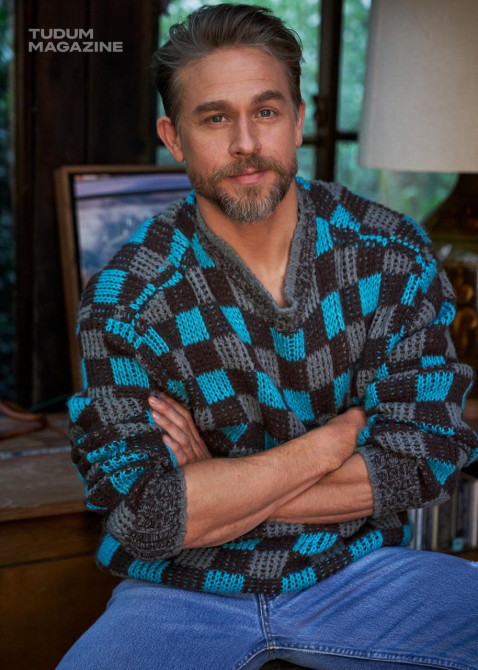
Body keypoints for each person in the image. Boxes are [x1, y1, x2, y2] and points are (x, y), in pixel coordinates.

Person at [57, 5, 478, 669]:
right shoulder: (124, 301)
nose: (246, 142)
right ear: (173, 136)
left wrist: (212, 487)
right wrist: (334, 442)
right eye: (215, 118)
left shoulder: (391, 254)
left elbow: (422, 459)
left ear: (299, 120)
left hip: (359, 575)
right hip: (177, 592)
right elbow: (149, 517)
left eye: (267, 111)